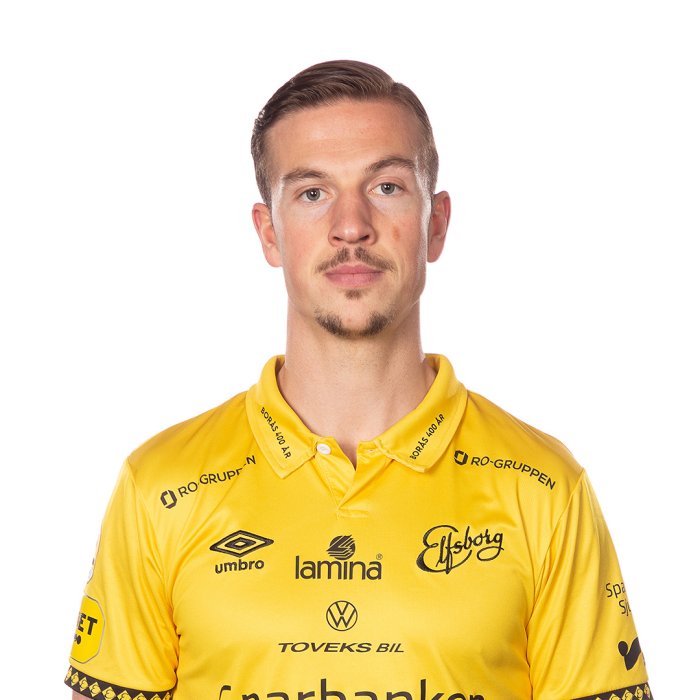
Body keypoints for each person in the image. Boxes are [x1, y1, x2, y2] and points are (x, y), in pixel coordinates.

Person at [65, 60, 652, 700]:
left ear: (436, 223)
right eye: (312, 193)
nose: (351, 225)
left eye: (387, 187)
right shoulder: (159, 487)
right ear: (269, 233)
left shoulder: (544, 488)